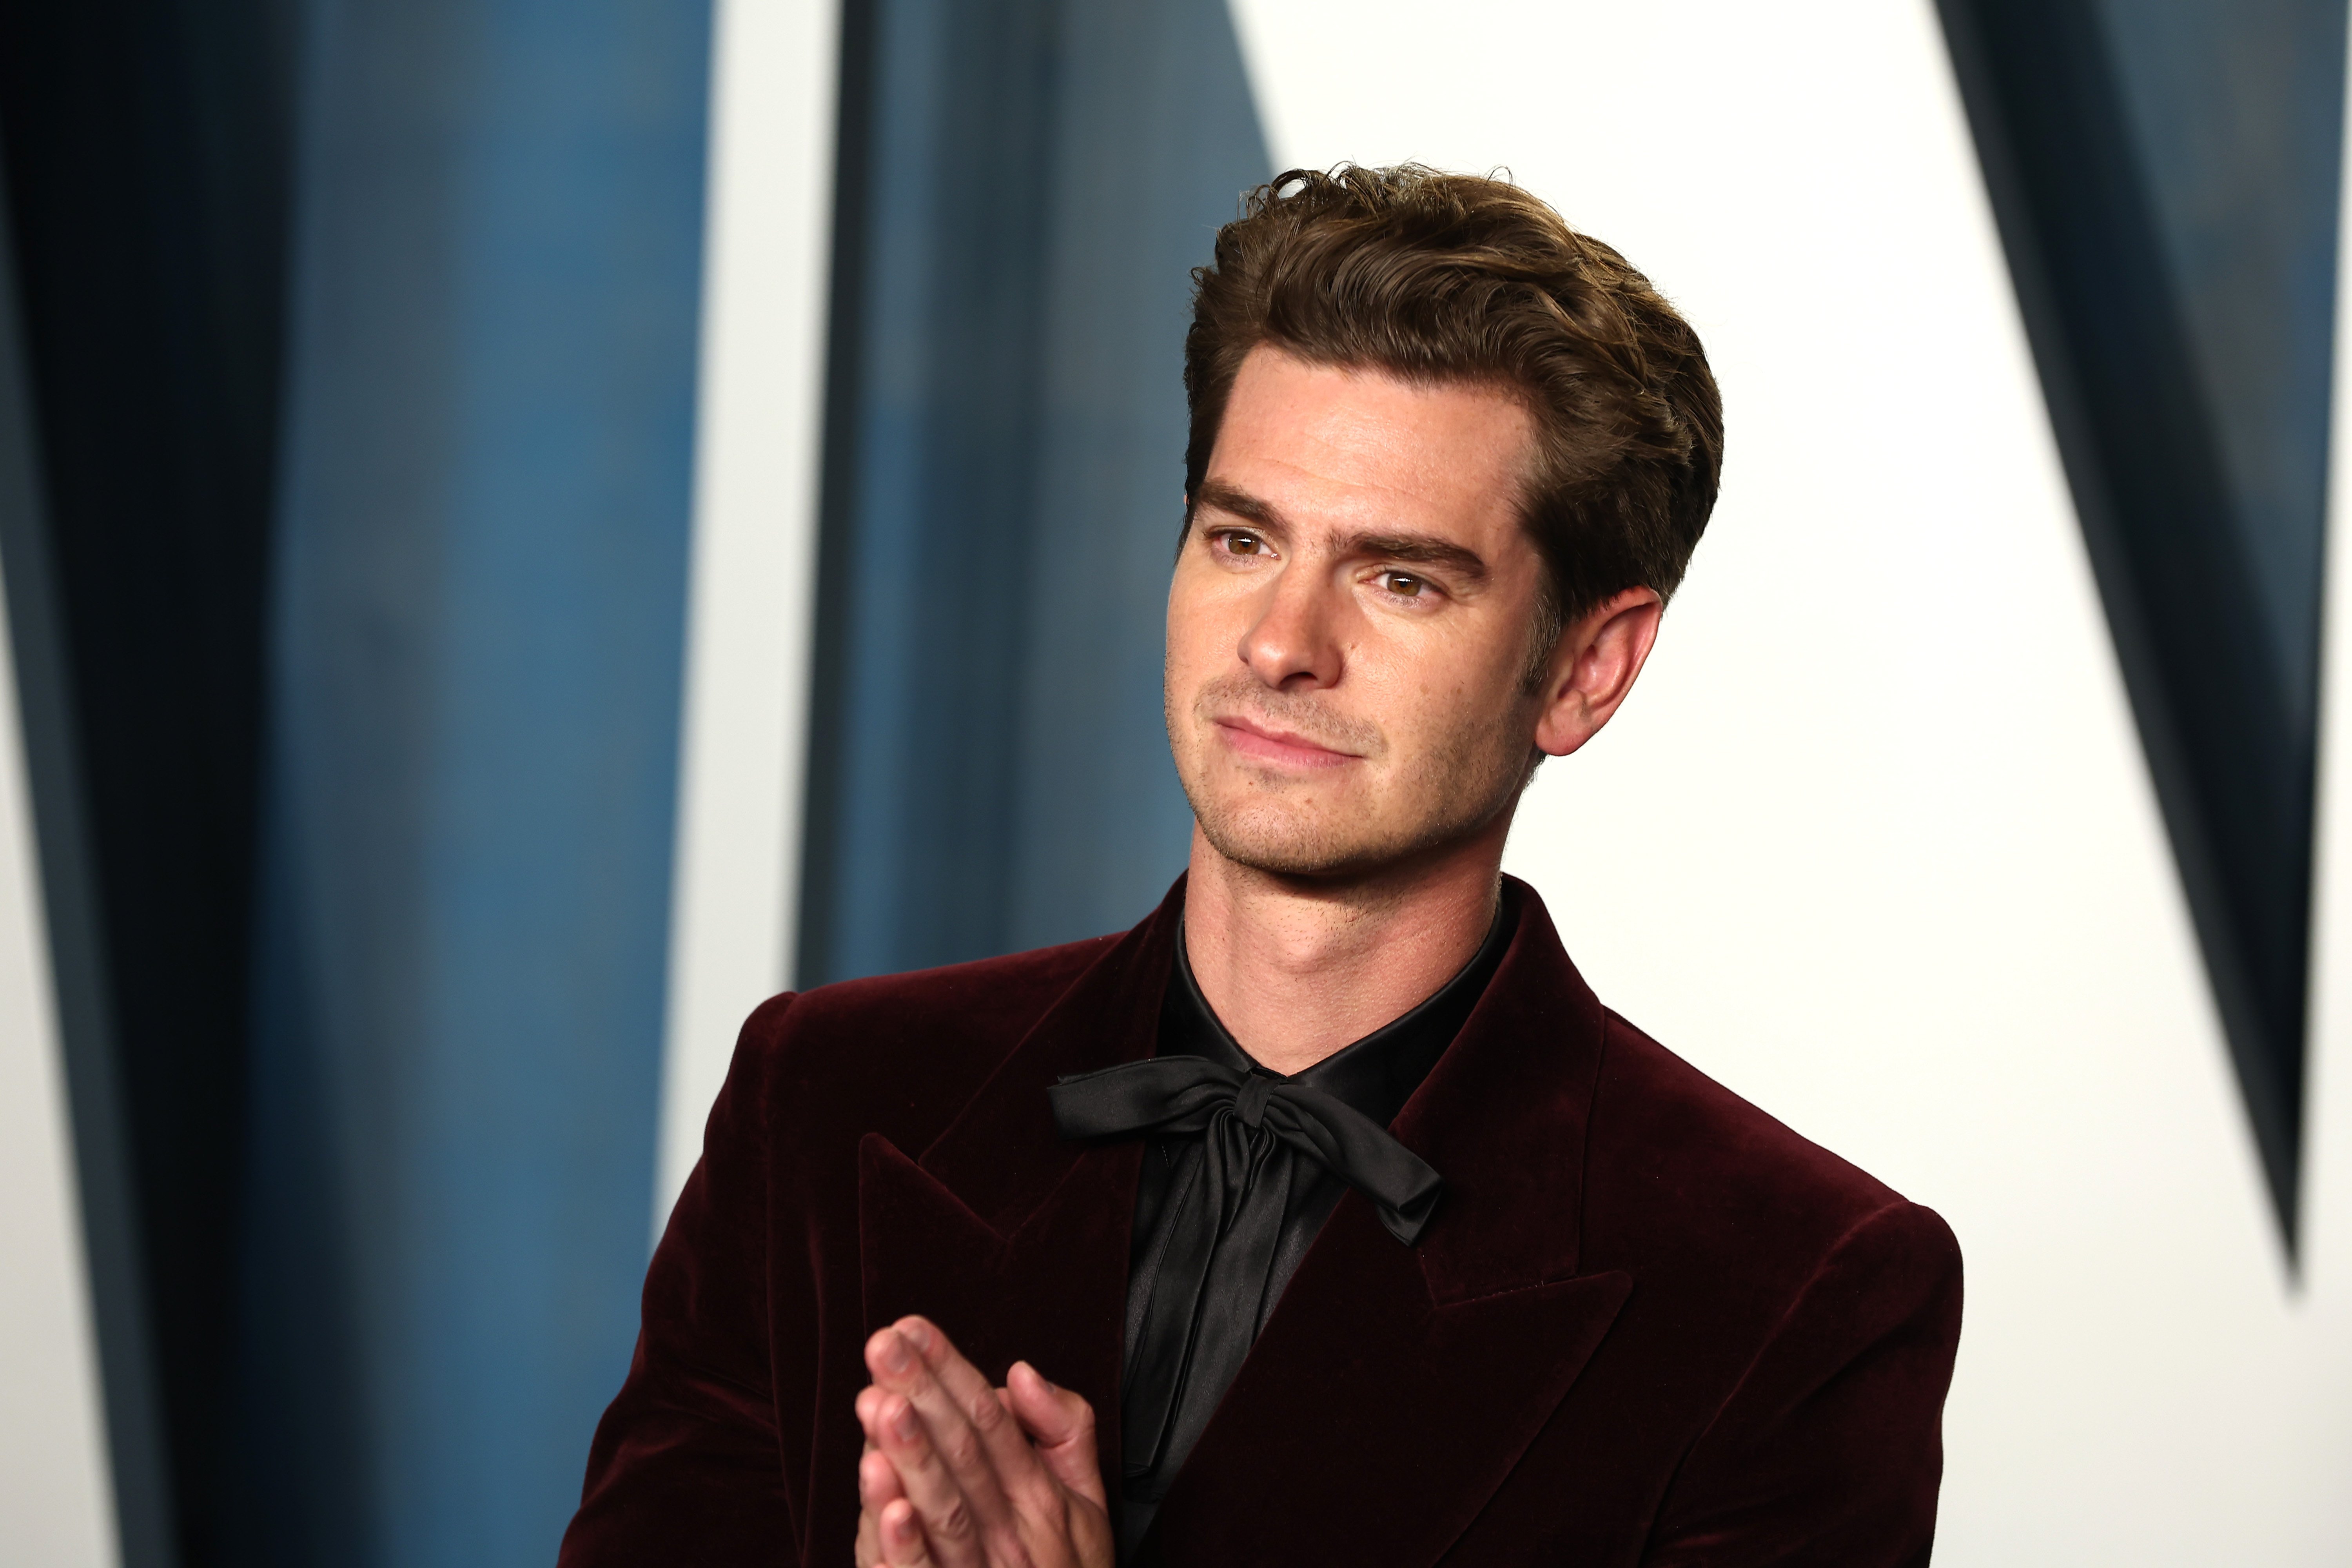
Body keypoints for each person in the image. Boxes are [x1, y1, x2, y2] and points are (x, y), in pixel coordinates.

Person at [558, 164, 1962, 1568]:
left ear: (1588, 670)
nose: (1282, 642)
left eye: (1399, 577)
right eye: (1243, 539)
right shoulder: (824, 1099)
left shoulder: (1801, 1294)